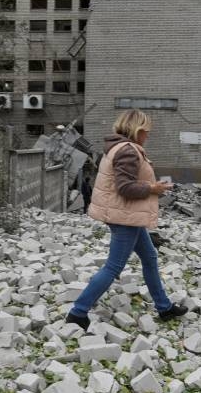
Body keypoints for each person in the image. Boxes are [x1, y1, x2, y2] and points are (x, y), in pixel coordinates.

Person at [66, 109, 189, 330]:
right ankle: (77, 312)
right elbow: (125, 187)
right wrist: (153, 188)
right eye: (147, 131)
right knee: (113, 267)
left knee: (150, 256)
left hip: (126, 214)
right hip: (125, 216)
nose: (148, 136)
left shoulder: (117, 147)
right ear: (138, 130)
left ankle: (164, 307)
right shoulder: (128, 151)